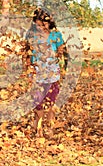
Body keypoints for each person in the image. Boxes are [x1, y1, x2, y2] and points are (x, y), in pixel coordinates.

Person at [25, 7, 66, 137]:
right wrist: (28, 68)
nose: (41, 27)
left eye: (44, 24)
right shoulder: (31, 36)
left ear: (50, 22)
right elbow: (26, 53)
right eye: (38, 25)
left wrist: (60, 60)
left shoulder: (56, 35)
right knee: (37, 101)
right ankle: (38, 128)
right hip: (37, 73)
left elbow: (62, 52)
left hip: (52, 73)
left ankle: (50, 126)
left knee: (51, 101)